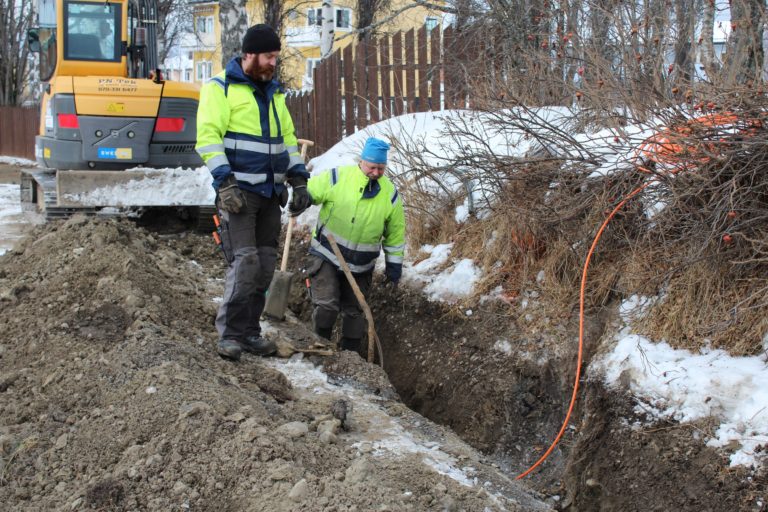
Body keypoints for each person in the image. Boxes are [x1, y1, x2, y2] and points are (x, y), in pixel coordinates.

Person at [196, 24, 311, 361]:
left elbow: (287, 141)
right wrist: (224, 182)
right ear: (249, 55)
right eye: (268, 56)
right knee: (245, 263)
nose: (273, 62)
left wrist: (299, 179)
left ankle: (249, 331)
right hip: (239, 194)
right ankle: (230, 334)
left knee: (263, 266)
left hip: (269, 194)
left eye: (276, 56)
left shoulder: (274, 94)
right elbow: (208, 138)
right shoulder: (221, 88)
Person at [292, 137, 405, 354]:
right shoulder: (337, 178)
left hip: (361, 266)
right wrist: (301, 199)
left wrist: (394, 267)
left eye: (381, 168)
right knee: (327, 306)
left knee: (355, 314)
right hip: (327, 254)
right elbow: (311, 191)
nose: (376, 172)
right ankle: (320, 345)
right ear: (362, 162)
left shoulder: (390, 195)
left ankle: (350, 358)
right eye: (372, 167)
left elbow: (395, 235)